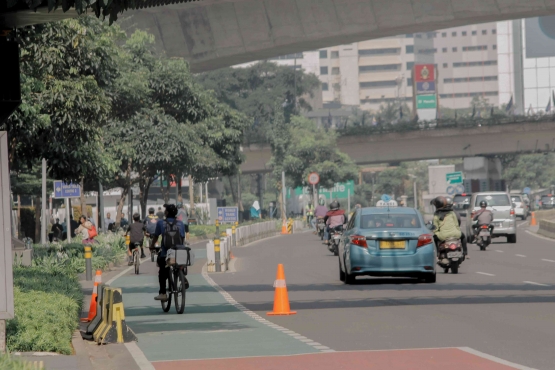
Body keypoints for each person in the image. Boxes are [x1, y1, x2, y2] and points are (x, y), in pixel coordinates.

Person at [149, 204, 187, 302]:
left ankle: (162, 293)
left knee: (162, 271)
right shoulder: (180, 224)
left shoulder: (161, 223)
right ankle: (182, 276)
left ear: (166, 213)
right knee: (180, 262)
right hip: (178, 252)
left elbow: (156, 237)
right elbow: (182, 238)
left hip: (166, 253)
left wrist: (152, 246)